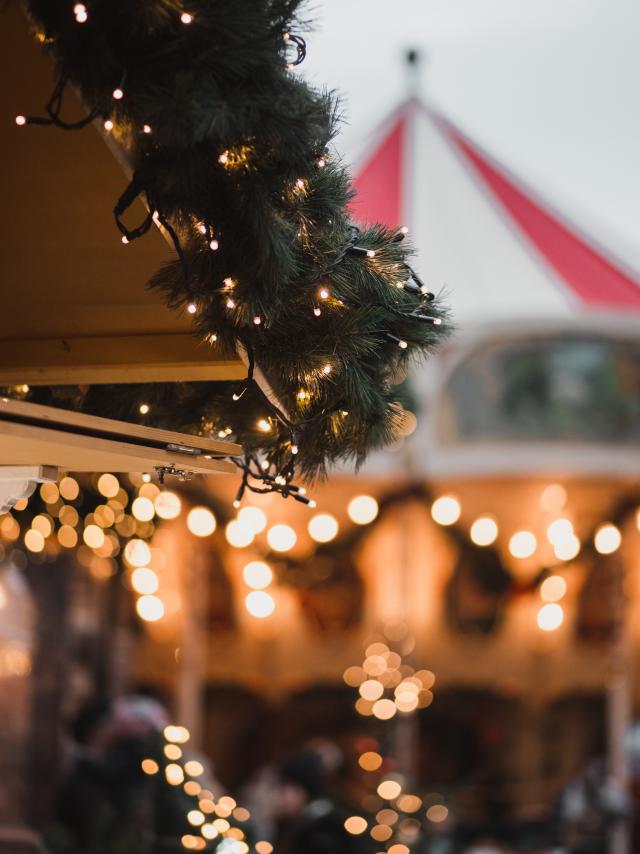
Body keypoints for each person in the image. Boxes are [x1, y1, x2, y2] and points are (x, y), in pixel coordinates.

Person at [270, 748, 375, 854]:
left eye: (284, 789)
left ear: (302, 791)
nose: (280, 797)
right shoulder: (295, 822)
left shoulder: (326, 831)